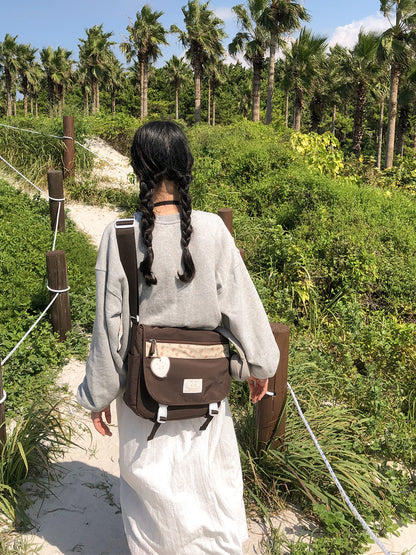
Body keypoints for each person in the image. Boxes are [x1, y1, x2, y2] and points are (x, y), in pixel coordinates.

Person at [77, 120, 279, 555]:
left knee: (151, 493)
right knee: (208, 489)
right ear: (186, 166)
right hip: (206, 390)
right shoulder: (212, 231)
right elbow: (243, 308)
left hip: (143, 395)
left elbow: (109, 330)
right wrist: (257, 366)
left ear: (137, 168)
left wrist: (98, 394)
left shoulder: (120, 235)